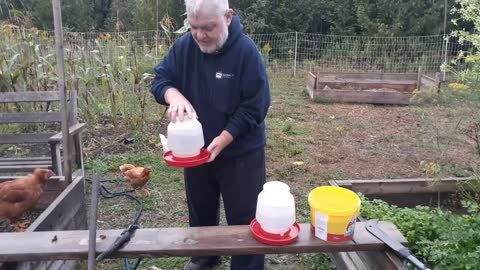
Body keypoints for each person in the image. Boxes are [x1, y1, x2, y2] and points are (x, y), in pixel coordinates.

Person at [151, 0, 271, 269]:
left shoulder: (246, 52)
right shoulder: (184, 47)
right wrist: (174, 95)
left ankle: (246, 266)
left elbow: (255, 106)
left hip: (241, 151)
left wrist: (226, 137)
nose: (200, 35)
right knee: (201, 208)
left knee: (244, 216)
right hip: (196, 151)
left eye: (208, 27)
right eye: (194, 27)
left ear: (228, 17)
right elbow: (160, 79)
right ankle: (205, 256)